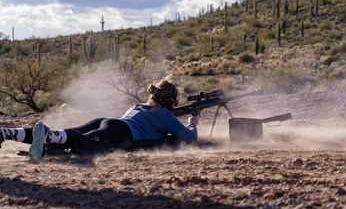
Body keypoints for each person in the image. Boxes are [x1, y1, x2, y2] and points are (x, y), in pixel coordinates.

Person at [0, 80, 199, 159]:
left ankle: (9, 132)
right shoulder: (163, 115)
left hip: (109, 121)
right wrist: (192, 122)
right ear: (171, 100)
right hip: (121, 132)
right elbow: (189, 138)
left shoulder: (139, 105)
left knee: (71, 133)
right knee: (83, 140)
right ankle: (47, 137)